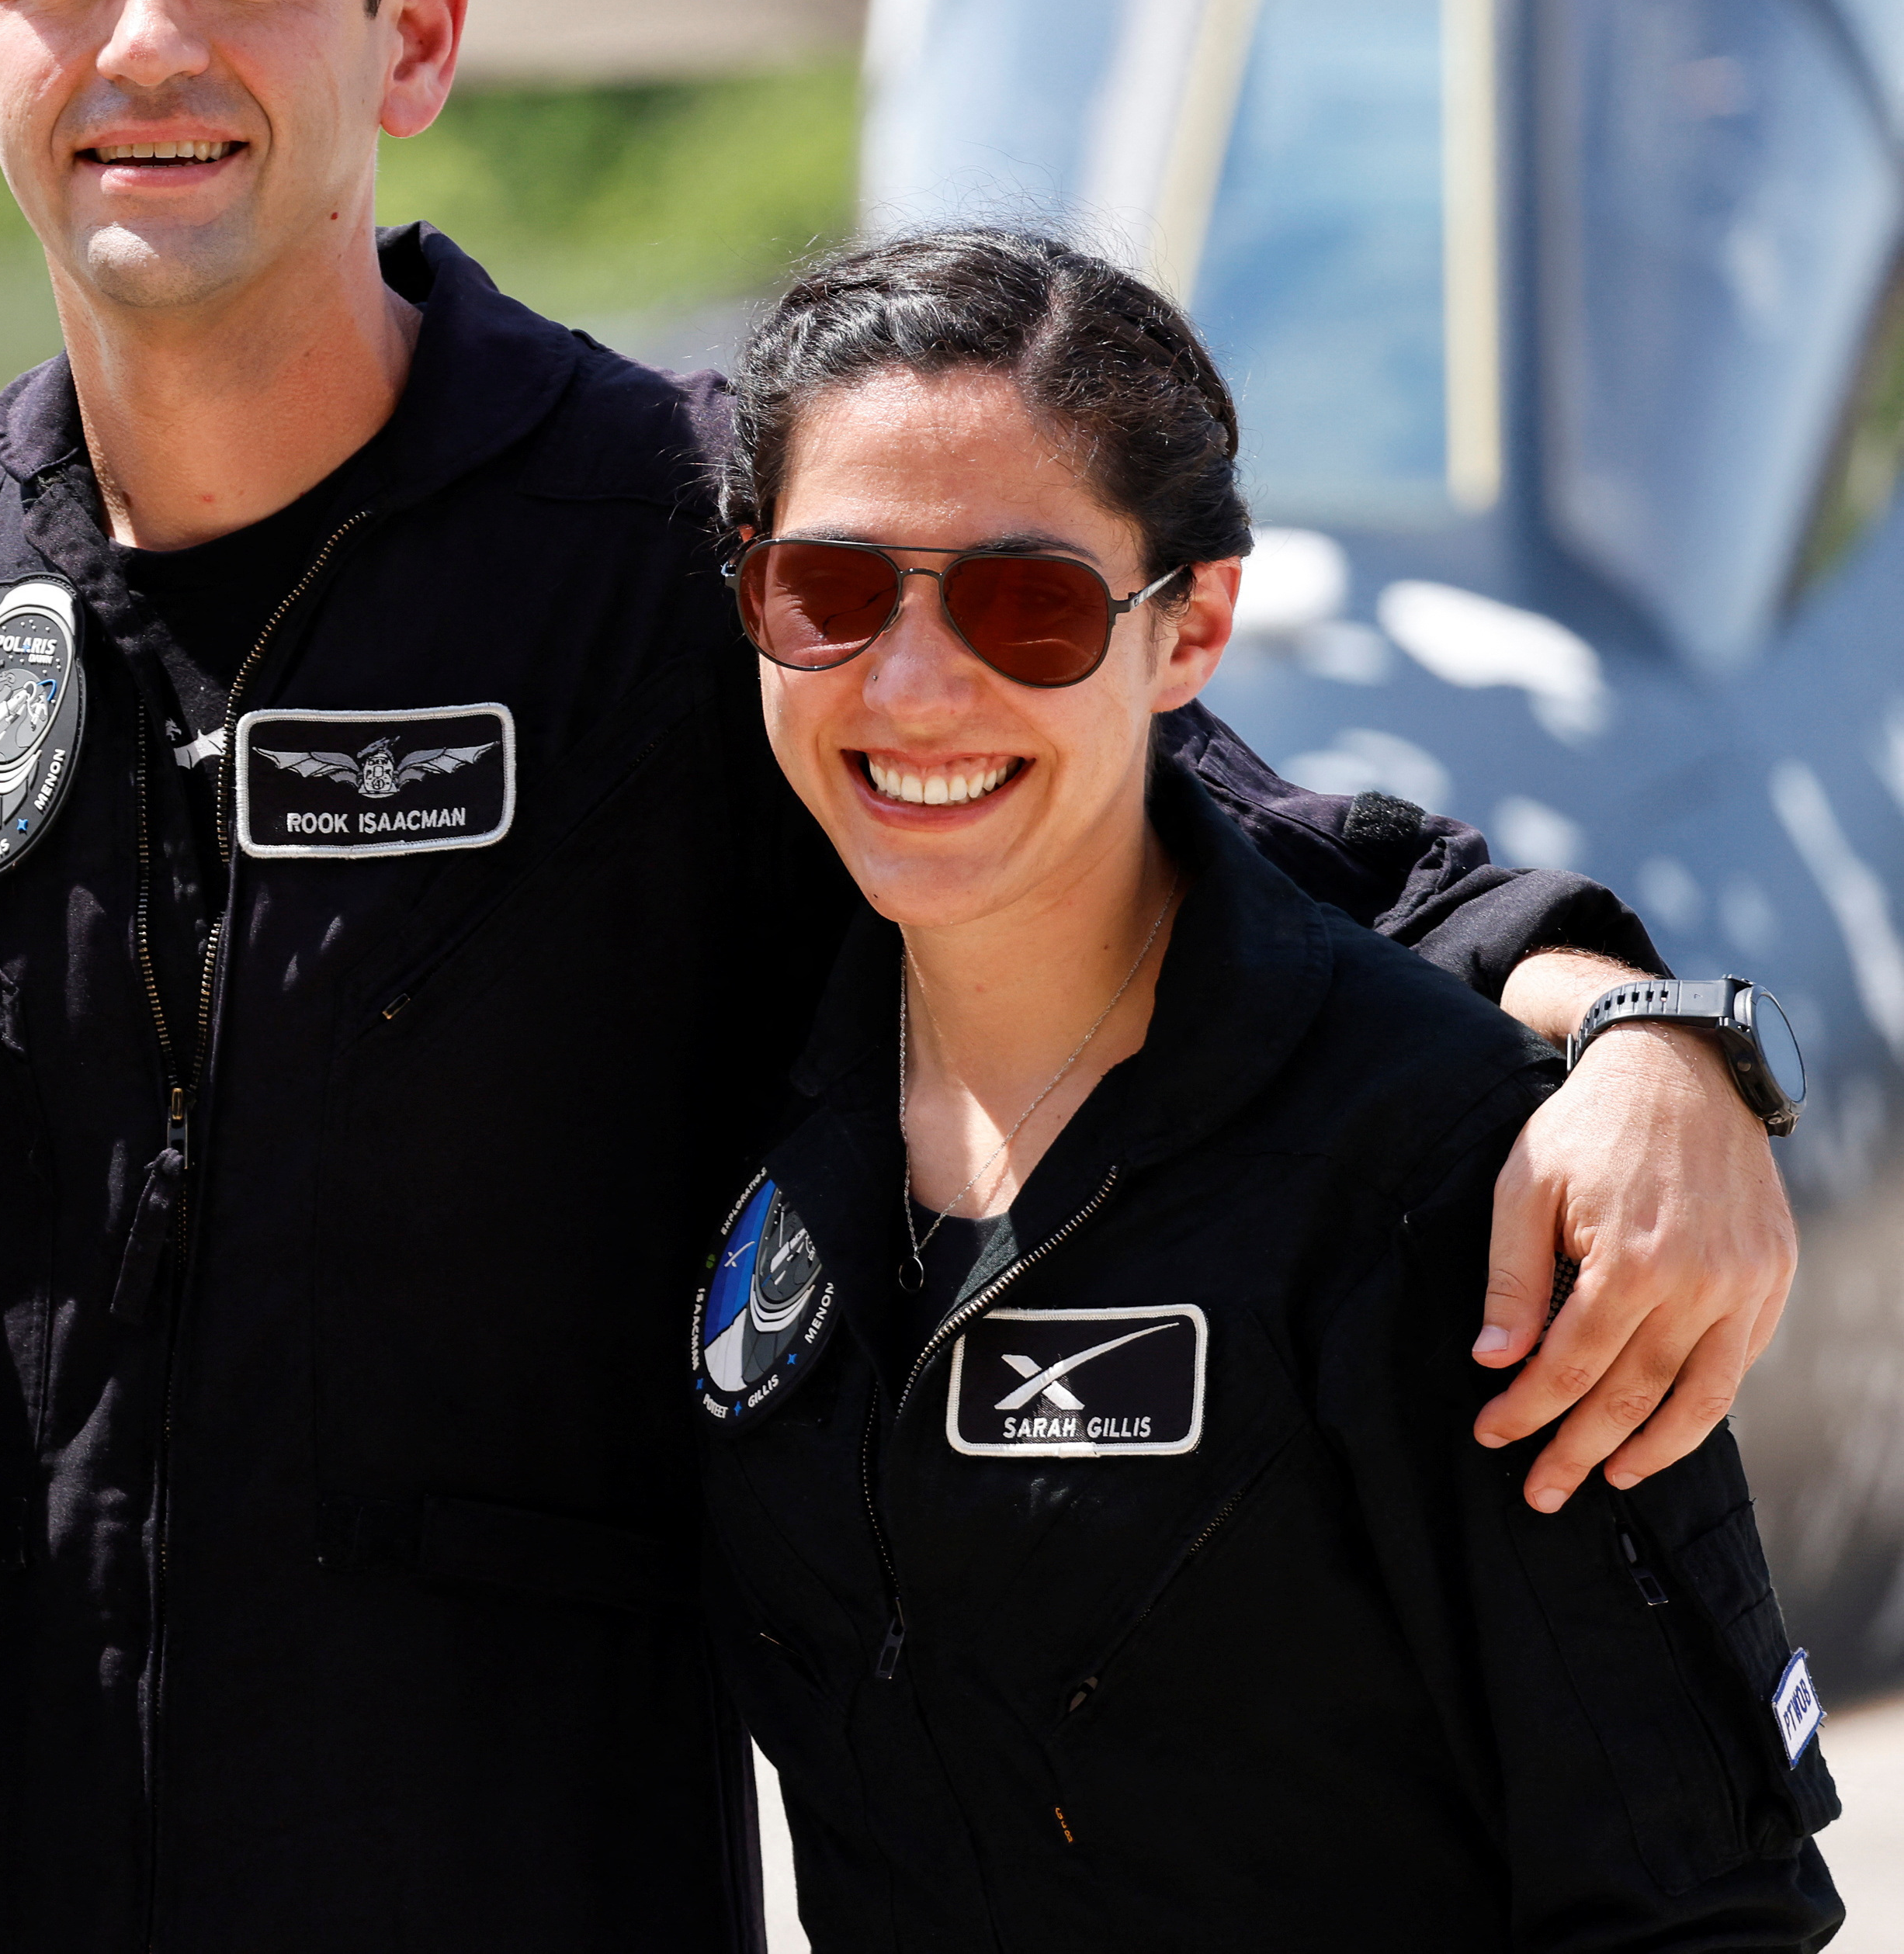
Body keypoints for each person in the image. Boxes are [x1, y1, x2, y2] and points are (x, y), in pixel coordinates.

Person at [0, 0, 1797, 1947]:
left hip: (513, 1870)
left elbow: (1205, 832)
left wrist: (1649, 1033)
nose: (148, 45)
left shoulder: (685, 543)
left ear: (410, 33)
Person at [692, 229, 1840, 1947]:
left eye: (1028, 604)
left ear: (1190, 627)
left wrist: (1665, 1029)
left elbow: (1695, 1910)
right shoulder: (743, 1087)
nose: (913, 685)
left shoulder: (1446, 1178)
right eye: (831, 593)